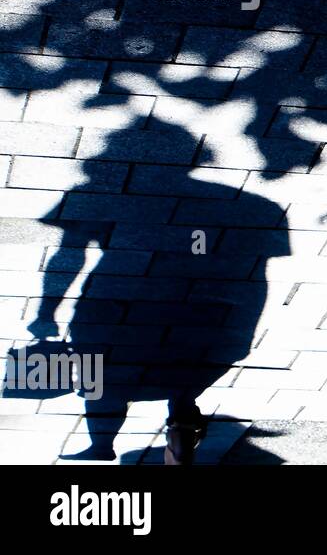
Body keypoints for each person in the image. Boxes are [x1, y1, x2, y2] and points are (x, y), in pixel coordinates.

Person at [29, 120, 289, 464]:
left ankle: (101, 445)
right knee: (184, 383)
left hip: (112, 304)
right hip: (209, 313)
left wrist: (47, 312)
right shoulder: (256, 205)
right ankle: (181, 437)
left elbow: (69, 254)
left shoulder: (97, 193)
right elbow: (256, 276)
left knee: (99, 380)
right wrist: (241, 332)